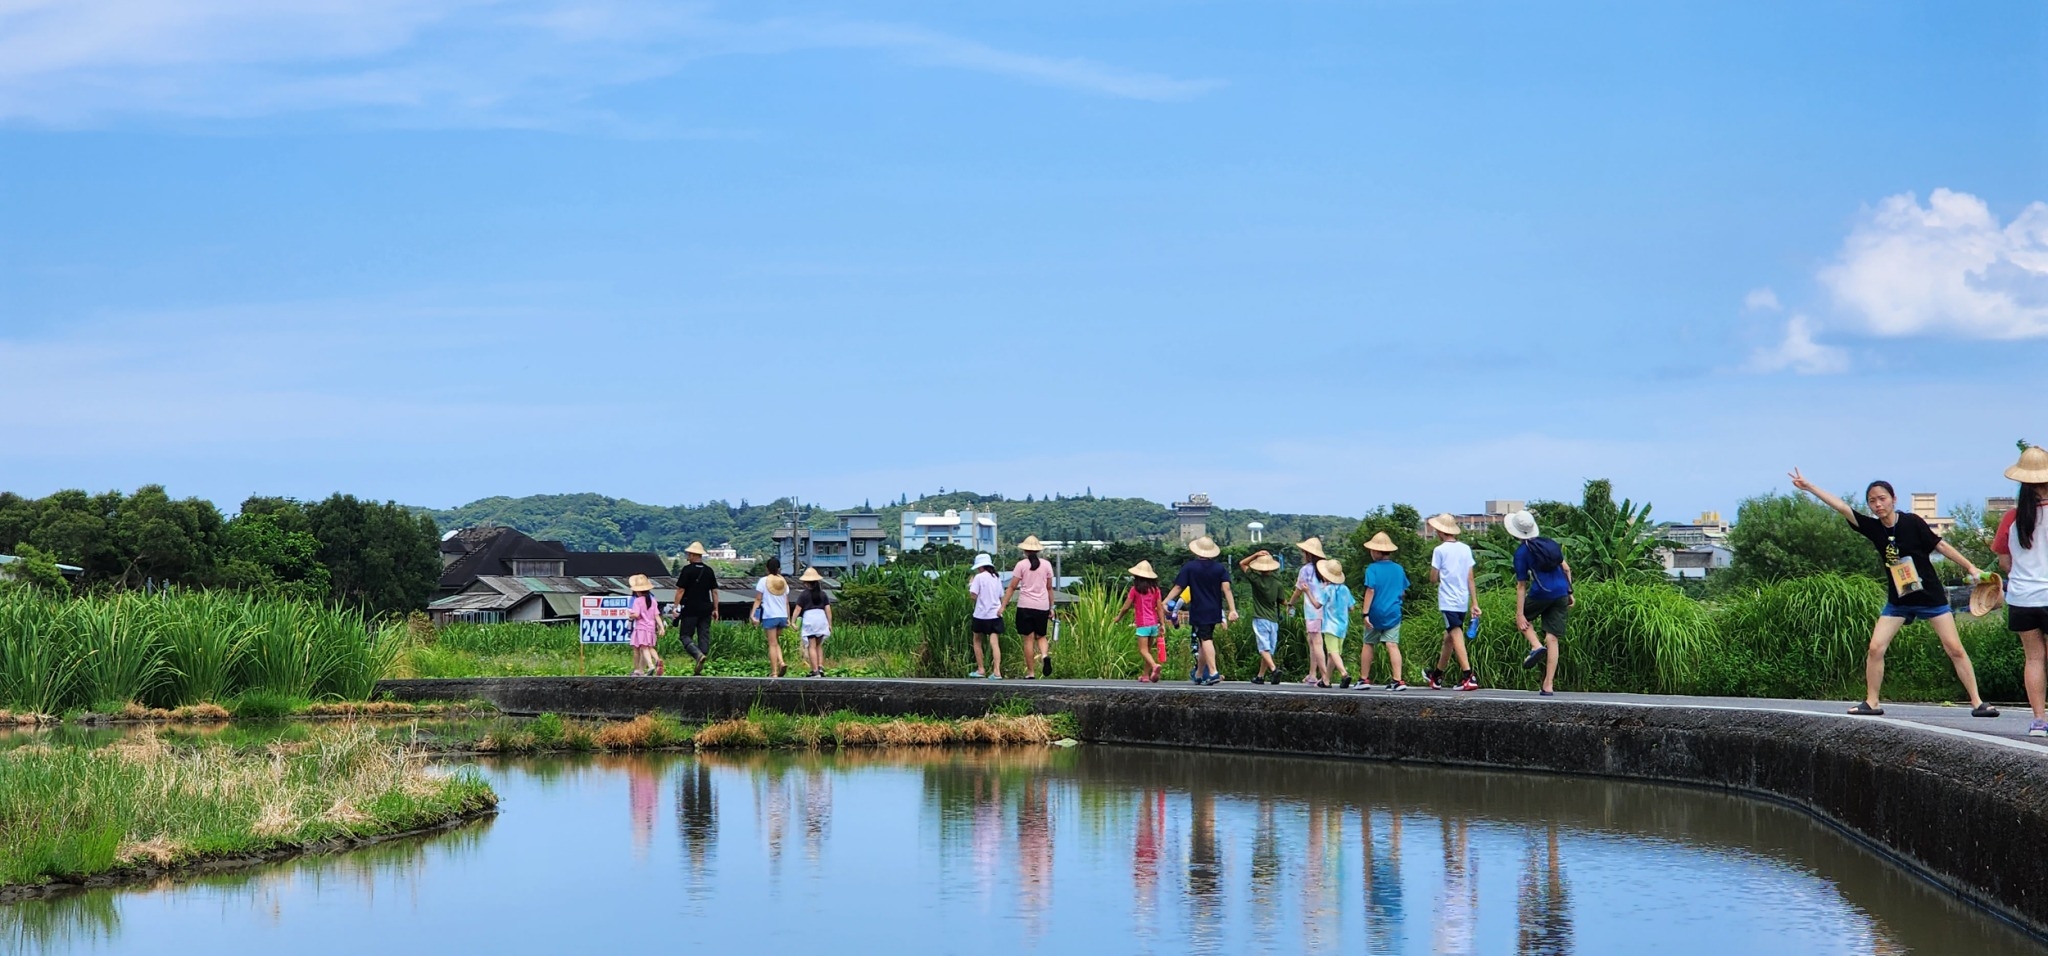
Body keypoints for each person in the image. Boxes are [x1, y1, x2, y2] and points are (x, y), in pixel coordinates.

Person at [1789, 468, 1998, 717]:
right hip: (1899, 600)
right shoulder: (1874, 528)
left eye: (1882, 498)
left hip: (1930, 596)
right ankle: (1872, 702)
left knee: (1954, 648)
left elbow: (1940, 545)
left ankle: (1977, 703)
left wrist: (1971, 567)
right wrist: (1810, 487)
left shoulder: (1912, 522)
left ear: (1893, 499)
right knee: (1876, 648)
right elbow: (1843, 507)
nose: (1878, 504)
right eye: (1872, 501)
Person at [1993, 445, 2048, 737]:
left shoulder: (2012, 517)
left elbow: (2005, 561)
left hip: (2023, 598)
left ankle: (2039, 720)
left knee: (2034, 658)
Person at [1505, 511, 1568, 697]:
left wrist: (1519, 614)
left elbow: (1521, 585)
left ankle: (1535, 645)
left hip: (1542, 593)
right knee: (1553, 638)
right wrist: (1570, 591)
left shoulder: (1522, 552)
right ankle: (1548, 685)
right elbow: (1566, 567)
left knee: (1524, 622)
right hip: (1562, 592)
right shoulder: (1550, 544)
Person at [1167, 536, 1240, 685]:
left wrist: (1166, 601)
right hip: (1214, 610)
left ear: (1197, 551)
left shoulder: (1190, 567)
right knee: (1203, 640)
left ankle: (1213, 672)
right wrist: (1232, 609)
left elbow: (1179, 587)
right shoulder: (1220, 568)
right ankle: (1199, 674)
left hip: (1200, 610)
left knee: (1206, 639)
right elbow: (1226, 589)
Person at [1425, 513, 1481, 691]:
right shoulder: (1465, 549)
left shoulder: (1439, 550)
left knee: (1455, 633)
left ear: (1441, 531)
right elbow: (1470, 578)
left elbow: (1433, 578)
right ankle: (1437, 675)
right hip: (1462, 599)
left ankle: (1468, 675)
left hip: (1448, 600)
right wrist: (1475, 602)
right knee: (1448, 638)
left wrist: (1440, 575)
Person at [1357, 532, 1409, 691]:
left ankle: (1364, 679)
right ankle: (1398, 680)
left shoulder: (1371, 569)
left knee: (1368, 644)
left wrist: (1365, 613)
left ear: (1378, 552)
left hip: (1375, 613)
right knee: (1392, 645)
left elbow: (1370, 590)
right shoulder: (1399, 569)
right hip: (1393, 612)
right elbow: (1403, 592)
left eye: (1373, 550)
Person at [1003, 536, 1057, 679]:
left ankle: (1031, 673)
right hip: (1042, 606)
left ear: (1025, 550)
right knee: (1041, 636)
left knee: (1028, 640)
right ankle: (1045, 655)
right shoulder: (1046, 565)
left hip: (1025, 606)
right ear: (1038, 550)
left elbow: (1012, 587)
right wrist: (1052, 607)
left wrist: (1003, 605)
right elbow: (1049, 587)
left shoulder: (1021, 565)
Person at [1237, 550, 1289, 684]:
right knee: (1268, 650)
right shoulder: (1278, 583)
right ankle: (1260, 676)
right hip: (1273, 620)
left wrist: (1255, 555)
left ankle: (1273, 669)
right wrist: (1290, 604)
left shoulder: (1256, 579)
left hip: (1260, 617)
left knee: (1263, 648)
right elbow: (1282, 601)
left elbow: (1242, 563)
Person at [1285, 536, 1330, 685]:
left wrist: (1290, 604)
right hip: (1325, 610)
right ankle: (1312, 673)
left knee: (1316, 642)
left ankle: (1324, 676)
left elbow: (1298, 591)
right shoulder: (1325, 569)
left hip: (1312, 611)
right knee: (1312, 641)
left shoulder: (1306, 570)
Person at [671, 542, 717, 675]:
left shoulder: (687, 570)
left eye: (688, 554)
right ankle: (702, 659)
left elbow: (680, 590)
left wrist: (675, 607)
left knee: (685, 635)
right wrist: (715, 608)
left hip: (690, 608)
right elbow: (714, 591)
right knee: (704, 635)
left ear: (692, 554)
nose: (687, 557)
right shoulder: (709, 570)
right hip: (706, 608)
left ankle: (697, 655)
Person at [750, 557, 792, 678]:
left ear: (767, 568)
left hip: (770, 616)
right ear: (779, 569)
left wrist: (753, 614)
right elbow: (786, 601)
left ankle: (774, 672)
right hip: (782, 616)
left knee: (772, 644)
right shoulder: (783, 582)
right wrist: (788, 618)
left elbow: (758, 599)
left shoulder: (763, 581)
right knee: (776, 642)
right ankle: (781, 662)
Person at [1126, 560, 1168, 682]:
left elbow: (1126, 606)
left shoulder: (1135, 590)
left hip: (1142, 624)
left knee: (1143, 650)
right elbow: (1159, 608)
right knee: (1148, 651)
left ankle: (1155, 666)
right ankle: (1145, 675)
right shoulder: (1155, 590)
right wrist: (1162, 624)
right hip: (1154, 624)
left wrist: (1118, 617)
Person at [1316, 559, 1355, 688]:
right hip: (1342, 626)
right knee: (1334, 653)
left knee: (1333, 652)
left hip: (1329, 626)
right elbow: (1352, 608)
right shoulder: (1345, 589)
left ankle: (1344, 673)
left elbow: (1317, 605)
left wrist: (1307, 592)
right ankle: (1326, 679)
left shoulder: (1327, 590)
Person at [967, 553, 1006, 679]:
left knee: (977, 640)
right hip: (995, 614)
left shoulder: (978, 577)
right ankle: (997, 672)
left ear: (980, 566)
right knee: (994, 643)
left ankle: (981, 669)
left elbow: (973, 596)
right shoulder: (996, 577)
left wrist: (970, 585)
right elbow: (1001, 596)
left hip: (981, 614)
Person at [793, 568, 833, 677]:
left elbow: (797, 609)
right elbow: (828, 610)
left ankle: (815, 670)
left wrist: (793, 621)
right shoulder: (823, 594)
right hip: (821, 619)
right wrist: (830, 624)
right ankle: (820, 667)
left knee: (811, 646)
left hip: (810, 619)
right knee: (819, 645)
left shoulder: (804, 595)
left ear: (806, 583)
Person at [627, 573, 666, 677]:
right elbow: (657, 615)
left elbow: (637, 615)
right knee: (650, 647)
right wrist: (661, 627)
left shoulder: (637, 601)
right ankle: (658, 660)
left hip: (641, 628)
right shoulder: (652, 600)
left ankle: (651, 666)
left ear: (637, 590)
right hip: (651, 627)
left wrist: (631, 615)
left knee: (644, 648)